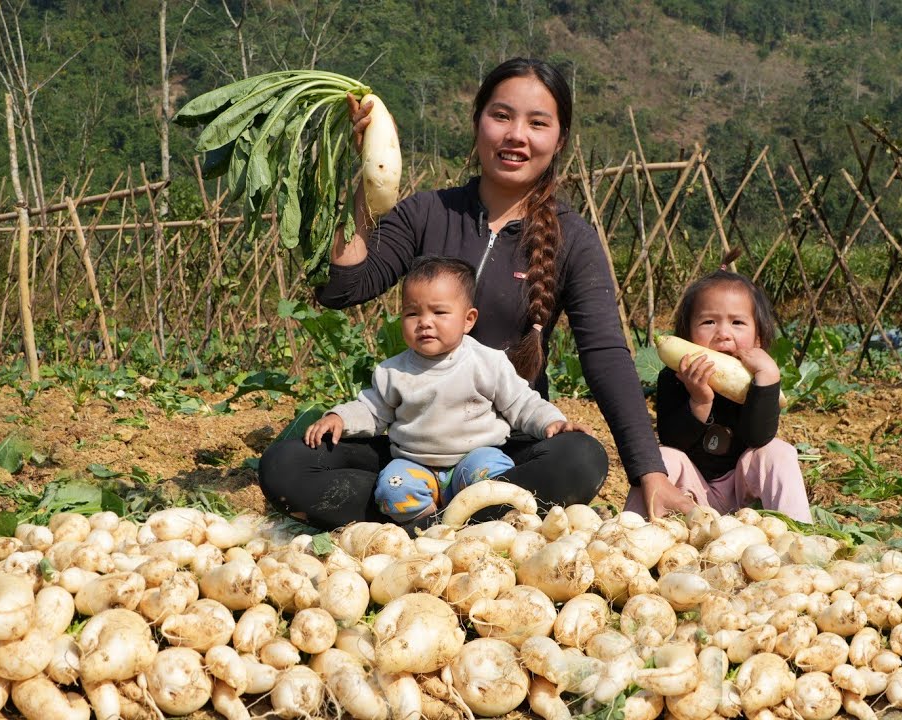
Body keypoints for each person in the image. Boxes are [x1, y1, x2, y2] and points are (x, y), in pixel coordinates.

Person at [259, 57, 691, 529]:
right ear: (478, 121)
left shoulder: (573, 239)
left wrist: (649, 473)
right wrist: (368, 173)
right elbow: (343, 288)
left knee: (581, 459)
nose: (516, 135)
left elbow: (605, 355)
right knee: (284, 466)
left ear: (559, 139)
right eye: (501, 116)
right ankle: (462, 516)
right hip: (410, 442)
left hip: (502, 447)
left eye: (537, 123)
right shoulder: (428, 212)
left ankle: (410, 519)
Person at [303, 256, 585, 523]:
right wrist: (339, 418)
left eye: (439, 312)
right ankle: (426, 528)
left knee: (495, 481)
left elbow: (523, 403)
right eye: (412, 313)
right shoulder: (393, 372)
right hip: (415, 466)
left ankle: (480, 523)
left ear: (468, 319)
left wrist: (552, 422)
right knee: (391, 489)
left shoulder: (486, 362)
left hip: (474, 459)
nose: (425, 322)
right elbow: (371, 409)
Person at [625, 249, 812, 523]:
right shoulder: (674, 376)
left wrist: (767, 379)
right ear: (687, 335)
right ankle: (628, 533)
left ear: (758, 338)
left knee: (778, 451)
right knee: (662, 458)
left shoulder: (756, 379)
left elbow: (757, 437)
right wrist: (699, 402)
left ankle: (799, 533)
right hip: (691, 491)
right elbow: (672, 438)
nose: (723, 333)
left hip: (742, 490)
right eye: (708, 322)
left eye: (737, 323)